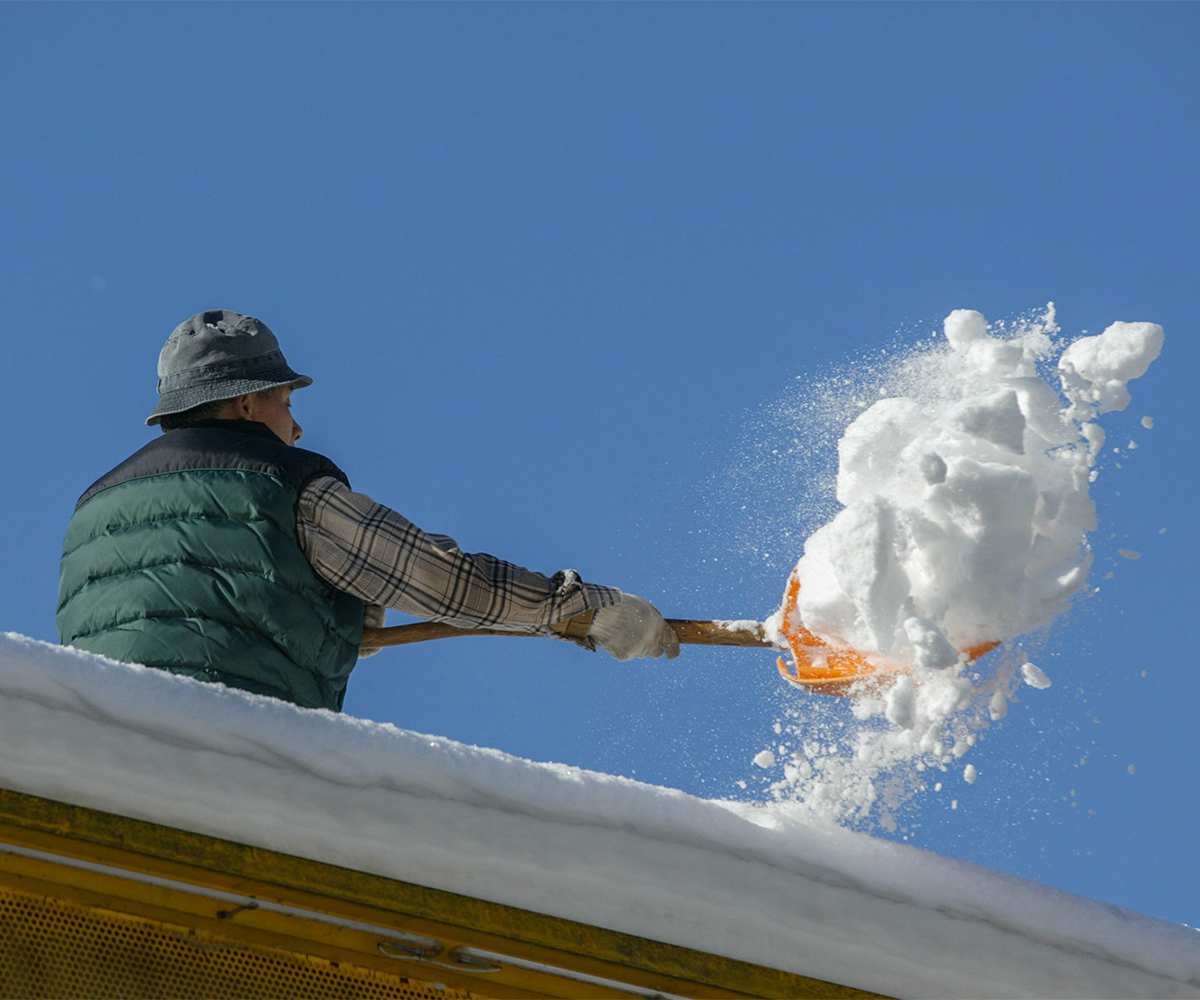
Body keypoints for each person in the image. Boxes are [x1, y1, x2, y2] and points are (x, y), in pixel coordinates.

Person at [57, 310, 679, 711]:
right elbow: (441, 580)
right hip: (238, 756)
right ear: (246, 405)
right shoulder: (281, 484)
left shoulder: (93, 511)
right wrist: (585, 611)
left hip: (109, 758)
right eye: (284, 403)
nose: (296, 429)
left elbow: (211, 599)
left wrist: (345, 616)